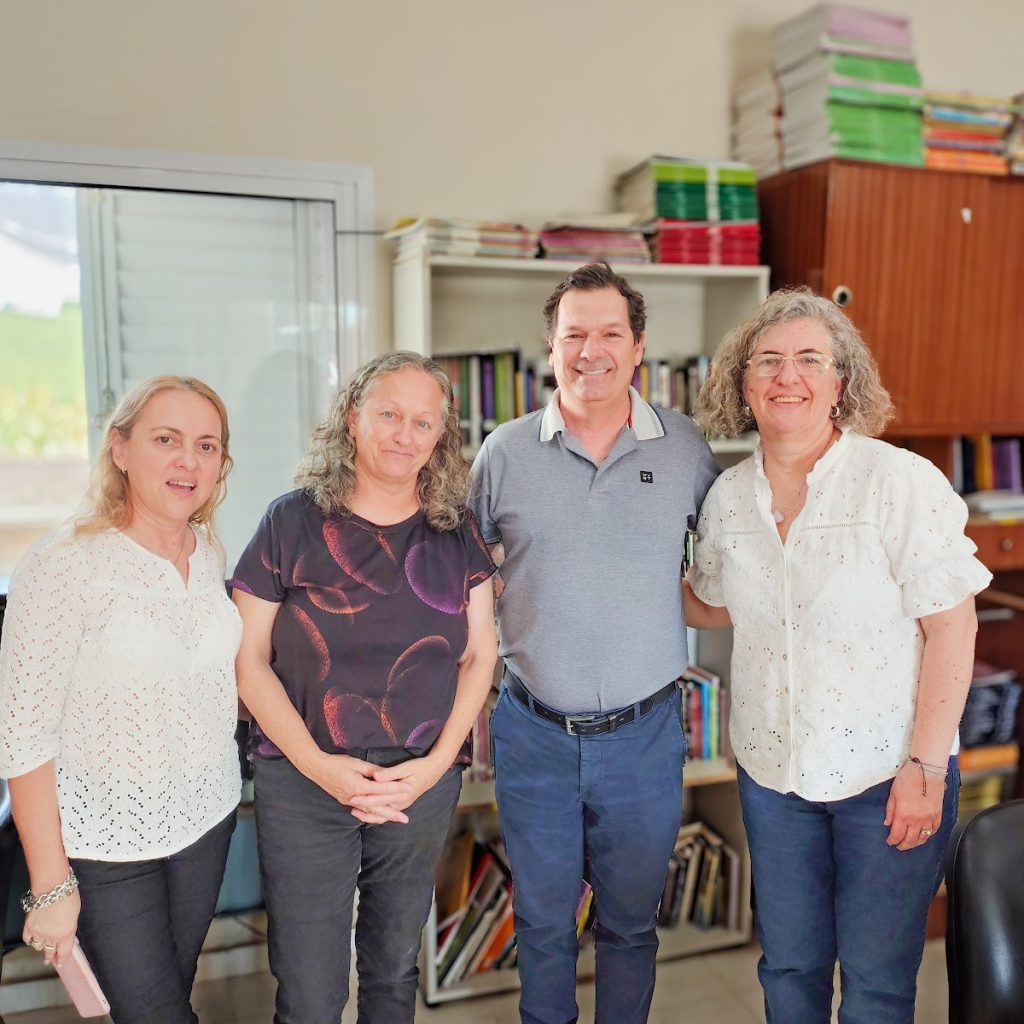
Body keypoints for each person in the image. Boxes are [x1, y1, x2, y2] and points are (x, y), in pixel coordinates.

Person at [685, 287, 991, 1024]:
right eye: (768, 362)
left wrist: (925, 769)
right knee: (788, 967)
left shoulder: (899, 483)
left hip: (888, 777)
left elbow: (953, 629)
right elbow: (715, 605)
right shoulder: (728, 498)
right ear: (743, 384)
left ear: (839, 382)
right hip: (773, 774)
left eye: (808, 360)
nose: (787, 377)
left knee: (878, 981)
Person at [468, 262, 719, 1024]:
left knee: (630, 927)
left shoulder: (686, 450)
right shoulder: (503, 454)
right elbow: (467, 584)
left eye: (610, 333)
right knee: (543, 928)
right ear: (550, 347)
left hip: (644, 737)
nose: (591, 350)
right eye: (573, 334)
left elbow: (712, 575)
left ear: (638, 346)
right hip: (532, 733)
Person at [232, 351, 497, 1024]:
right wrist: (319, 767)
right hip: (302, 777)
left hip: (419, 781)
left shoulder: (456, 530)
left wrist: (434, 768)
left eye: (422, 421)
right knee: (312, 987)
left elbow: (481, 657)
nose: (403, 434)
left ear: (440, 437)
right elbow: (247, 661)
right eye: (388, 414)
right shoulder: (289, 522)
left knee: (391, 968)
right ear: (353, 419)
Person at [0, 376, 241, 1023]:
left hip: (206, 820)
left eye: (207, 445)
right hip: (104, 843)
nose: (188, 460)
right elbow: (22, 741)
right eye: (166, 439)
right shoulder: (61, 565)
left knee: (163, 1001)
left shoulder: (210, 550)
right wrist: (51, 887)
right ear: (121, 448)